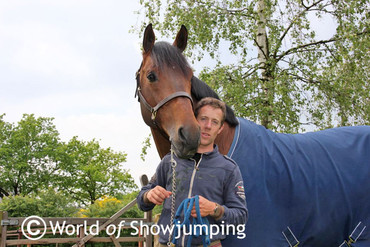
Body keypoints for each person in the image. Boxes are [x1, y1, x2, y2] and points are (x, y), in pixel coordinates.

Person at [137, 97, 247, 247]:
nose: (208, 126)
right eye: (203, 119)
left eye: (214, 122)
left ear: (220, 129)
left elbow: (241, 217)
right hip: (166, 243)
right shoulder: (170, 161)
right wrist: (148, 196)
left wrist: (215, 209)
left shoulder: (229, 168)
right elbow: (142, 201)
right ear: (194, 120)